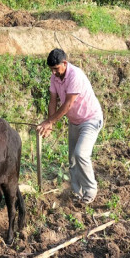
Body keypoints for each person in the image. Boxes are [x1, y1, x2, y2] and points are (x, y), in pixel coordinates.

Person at [37, 48, 103, 204]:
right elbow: (53, 100)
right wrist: (49, 124)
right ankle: (76, 192)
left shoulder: (75, 75)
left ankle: (90, 190)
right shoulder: (55, 78)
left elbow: (67, 105)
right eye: (51, 70)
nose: (53, 73)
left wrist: (50, 121)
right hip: (75, 121)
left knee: (81, 154)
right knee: (72, 159)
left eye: (56, 68)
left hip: (90, 119)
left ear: (64, 63)